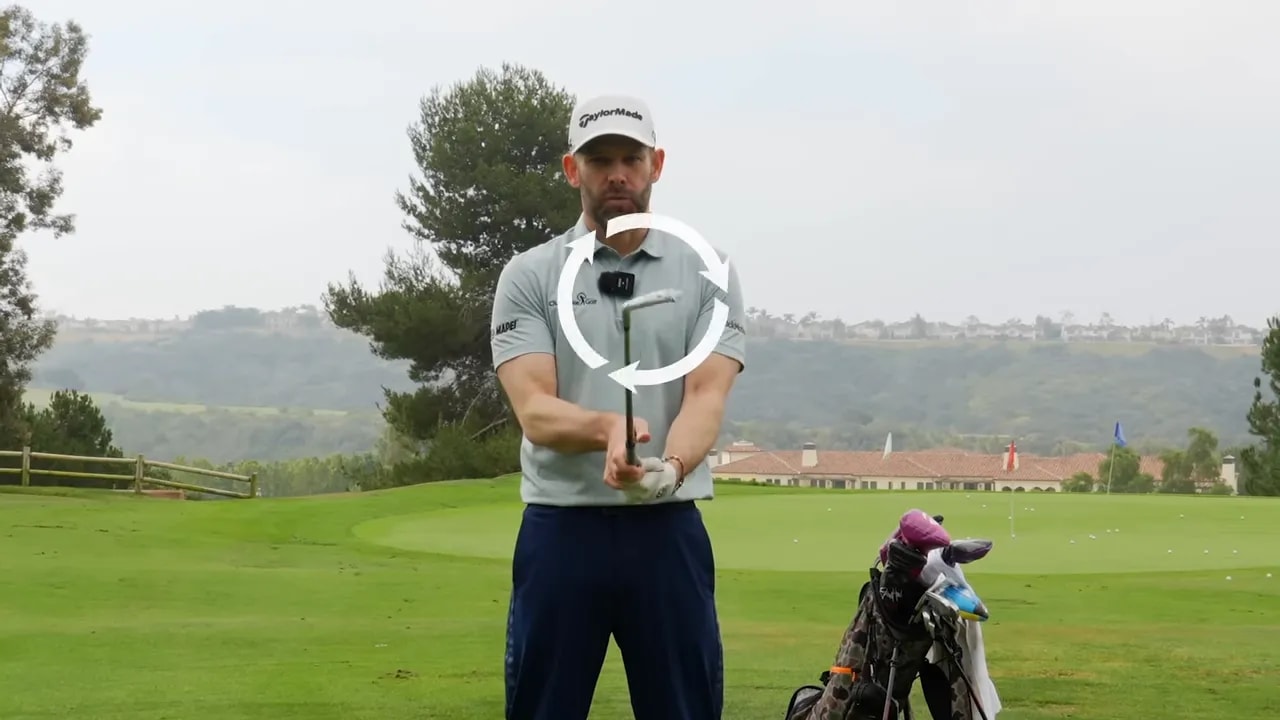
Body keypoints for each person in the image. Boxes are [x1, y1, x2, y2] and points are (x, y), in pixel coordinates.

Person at [489, 93, 747, 720]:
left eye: (630, 158)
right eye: (598, 160)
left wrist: (671, 467)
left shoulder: (708, 272)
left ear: (656, 163)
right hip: (561, 528)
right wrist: (609, 427)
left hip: (667, 527)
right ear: (571, 169)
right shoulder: (528, 275)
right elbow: (535, 411)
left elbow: (706, 395)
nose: (617, 174)